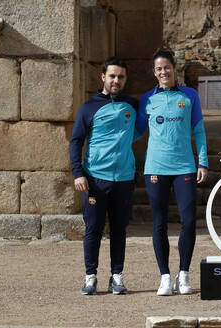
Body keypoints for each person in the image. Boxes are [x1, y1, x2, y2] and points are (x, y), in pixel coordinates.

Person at [136, 49, 208, 296]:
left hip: (185, 167)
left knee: (188, 221)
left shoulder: (189, 96)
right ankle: (165, 276)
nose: (163, 72)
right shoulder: (147, 99)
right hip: (155, 168)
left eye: (167, 67)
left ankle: (184, 274)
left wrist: (203, 162)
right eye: (158, 69)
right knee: (159, 223)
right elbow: (134, 132)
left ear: (174, 68)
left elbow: (198, 130)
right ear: (154, 72)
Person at [69, 56, 139, 295]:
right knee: (94, 229)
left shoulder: (132, 104)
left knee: (119, 230)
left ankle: (116, 276)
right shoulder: (89, 107)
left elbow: (141, 128)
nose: (116, 80)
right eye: (112, 76)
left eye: (120, 76)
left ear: (125, 79)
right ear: (103, 77)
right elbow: (76, 141)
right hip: (95, 179)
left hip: (125, 179)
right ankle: (90, 276)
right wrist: (78, 173)